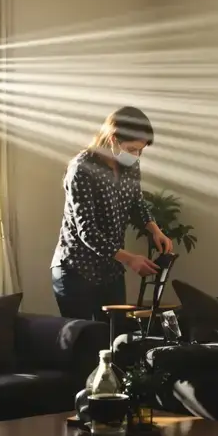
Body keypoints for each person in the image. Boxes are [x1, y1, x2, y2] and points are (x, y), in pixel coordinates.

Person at [51, 106, 174, 321]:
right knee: (83, 336)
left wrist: (155, 230)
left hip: (110, 269)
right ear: (113, 139)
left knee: (117, 333)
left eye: (140, 150)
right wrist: (130, 259)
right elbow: (87, 231)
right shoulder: (82, 168)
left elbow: (136, 202)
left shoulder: (130, 167)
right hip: (76, 269)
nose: (136, 155)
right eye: (132, 149)